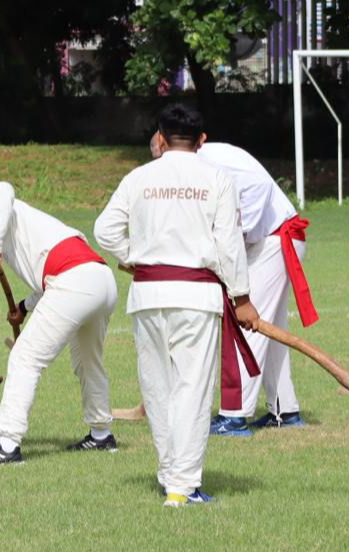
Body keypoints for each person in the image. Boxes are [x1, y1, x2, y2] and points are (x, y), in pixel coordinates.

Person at [94, 105, 258, 506]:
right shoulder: (216, 177)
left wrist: (133, 258)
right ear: (202, 141)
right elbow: (229, 245)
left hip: (149, 295)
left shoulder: (139, 177)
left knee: (159, 389)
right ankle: (182, 486)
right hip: (195, 296)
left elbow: (104, 230)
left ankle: (173, 478)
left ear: (161, 138)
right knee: (192, 390)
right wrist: (242, 298)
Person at [112, 132, 319, 435]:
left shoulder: (212, 160)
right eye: (156, 157)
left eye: (161, 154)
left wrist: (232, 240)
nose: (160, 162)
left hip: (272, 239)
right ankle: (284, 410)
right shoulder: (188, 172)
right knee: (268, 333)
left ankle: (235, 415)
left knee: (244, 325)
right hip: (264, 241)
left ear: (173, 145)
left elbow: (258, 191)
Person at [0, 183, 118, 464]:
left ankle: (7, 445)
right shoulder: (24, 229)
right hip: (100, 279)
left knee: (24, 358)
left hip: (74, 281)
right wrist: (23, 307)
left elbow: (3, 188)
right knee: (88, 362)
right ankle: (102, 434)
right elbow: (48, 280)